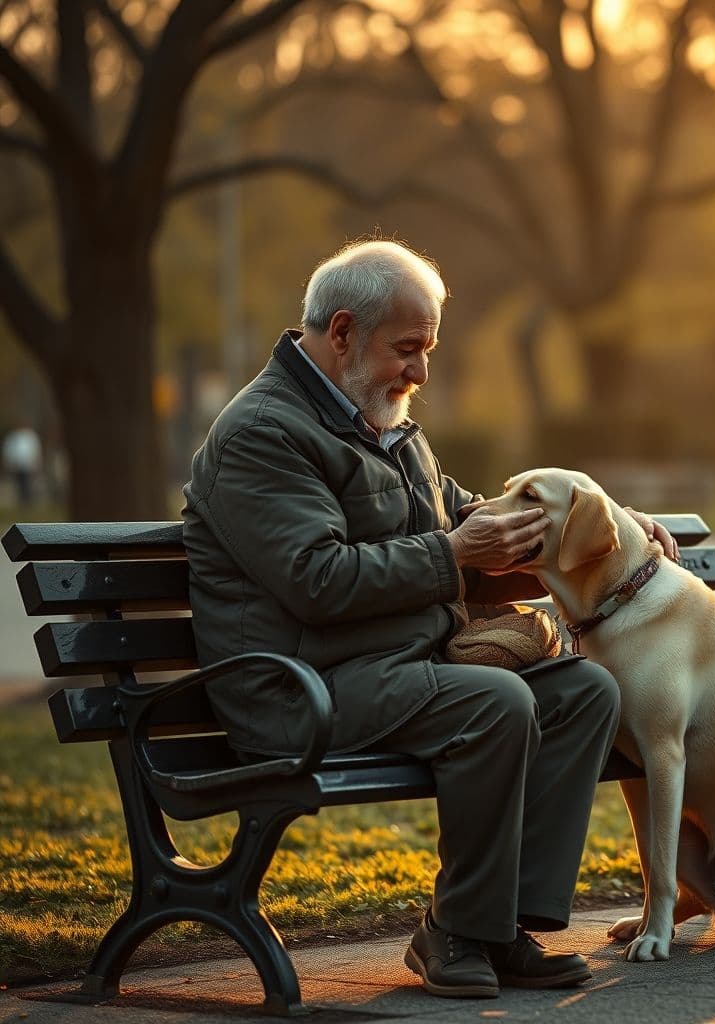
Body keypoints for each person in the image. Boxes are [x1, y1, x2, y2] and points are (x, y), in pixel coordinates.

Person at [183, 239, 676, 999]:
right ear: (342, 332)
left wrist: (613, 527)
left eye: (428, 350)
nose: (419, 371)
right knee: (496, 701)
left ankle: (502, 926)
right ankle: (456, 929)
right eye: (407, 348)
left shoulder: (384, 422)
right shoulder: (263, 433)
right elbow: (317, 580)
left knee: (584, 692)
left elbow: (470, 521)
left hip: (394, 669)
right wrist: (452, 553)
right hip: (296, 687)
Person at [2, 423, 42, 506]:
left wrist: (35, 461)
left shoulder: (30, 435)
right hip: (17, 464)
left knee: (28, 483)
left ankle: (29, 501)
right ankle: (22, 501)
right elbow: (8, 450)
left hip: (28, 464)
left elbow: (35, 449)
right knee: (19, 483)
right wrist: (9, 462)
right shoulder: (12, 436)